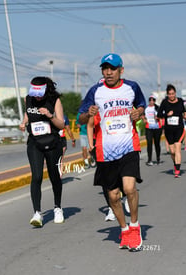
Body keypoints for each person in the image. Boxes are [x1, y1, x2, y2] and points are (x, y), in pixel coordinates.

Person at [79, 53, 146, 251]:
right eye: (105, 68)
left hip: (128, 146)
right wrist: (87, 114)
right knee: (113, 196)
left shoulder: (131, 87)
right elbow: (81, 118)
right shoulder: (95, 91)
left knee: (129, 188)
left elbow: (141, 105)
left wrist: (138, 112)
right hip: (105, 151)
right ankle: (124, 230)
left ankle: (134, 226)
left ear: (121, 70)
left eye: (112, 68)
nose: (108, 72)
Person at [19, 76, 65, 227]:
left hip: (52, 143)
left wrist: (49, 115)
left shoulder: (54, 100)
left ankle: (58, 208)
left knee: (54, 176)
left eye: (40, 94)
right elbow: (28, 113)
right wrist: (24, 122)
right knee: (37, 176)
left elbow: (62, 124)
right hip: (34, 143)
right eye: (35, 94)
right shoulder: (29, 99)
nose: (37, 97)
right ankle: (37, 213)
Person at [156, 84, 186, 178]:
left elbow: (183, 112)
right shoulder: (164, 102)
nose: (171, 96)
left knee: (178, 149)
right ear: (167, 94)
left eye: (173, 94)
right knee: (172, 151)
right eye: (169, 94)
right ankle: (175, 164)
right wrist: (167, 115)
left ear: (175, 93)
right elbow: (159, 114)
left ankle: (177, 170)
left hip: (179, 129)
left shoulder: (180, 101)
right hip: (168, 130)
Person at [143, 95, 162, 165]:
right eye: (150, 100)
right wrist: (144, 119)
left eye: (153, 100)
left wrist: (158, 117)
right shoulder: (146, 108)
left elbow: (161, 116)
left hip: (157, 127)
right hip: (149, 128)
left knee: (157, 143)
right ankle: (149, 159)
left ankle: (158, 159)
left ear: (154, 101)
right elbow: (143, 115)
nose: (151, 101)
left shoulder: (157, 108)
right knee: (149, 143)